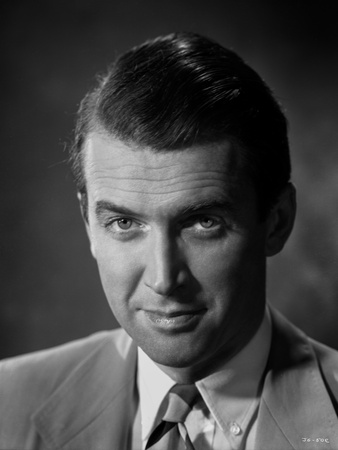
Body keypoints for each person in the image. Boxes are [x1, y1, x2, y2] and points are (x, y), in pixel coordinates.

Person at [1, 31, 338, 450]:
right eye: (124, 223)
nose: (164, 279)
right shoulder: (6, 405)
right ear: (89, 223)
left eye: (202, 222)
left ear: (277, 221)